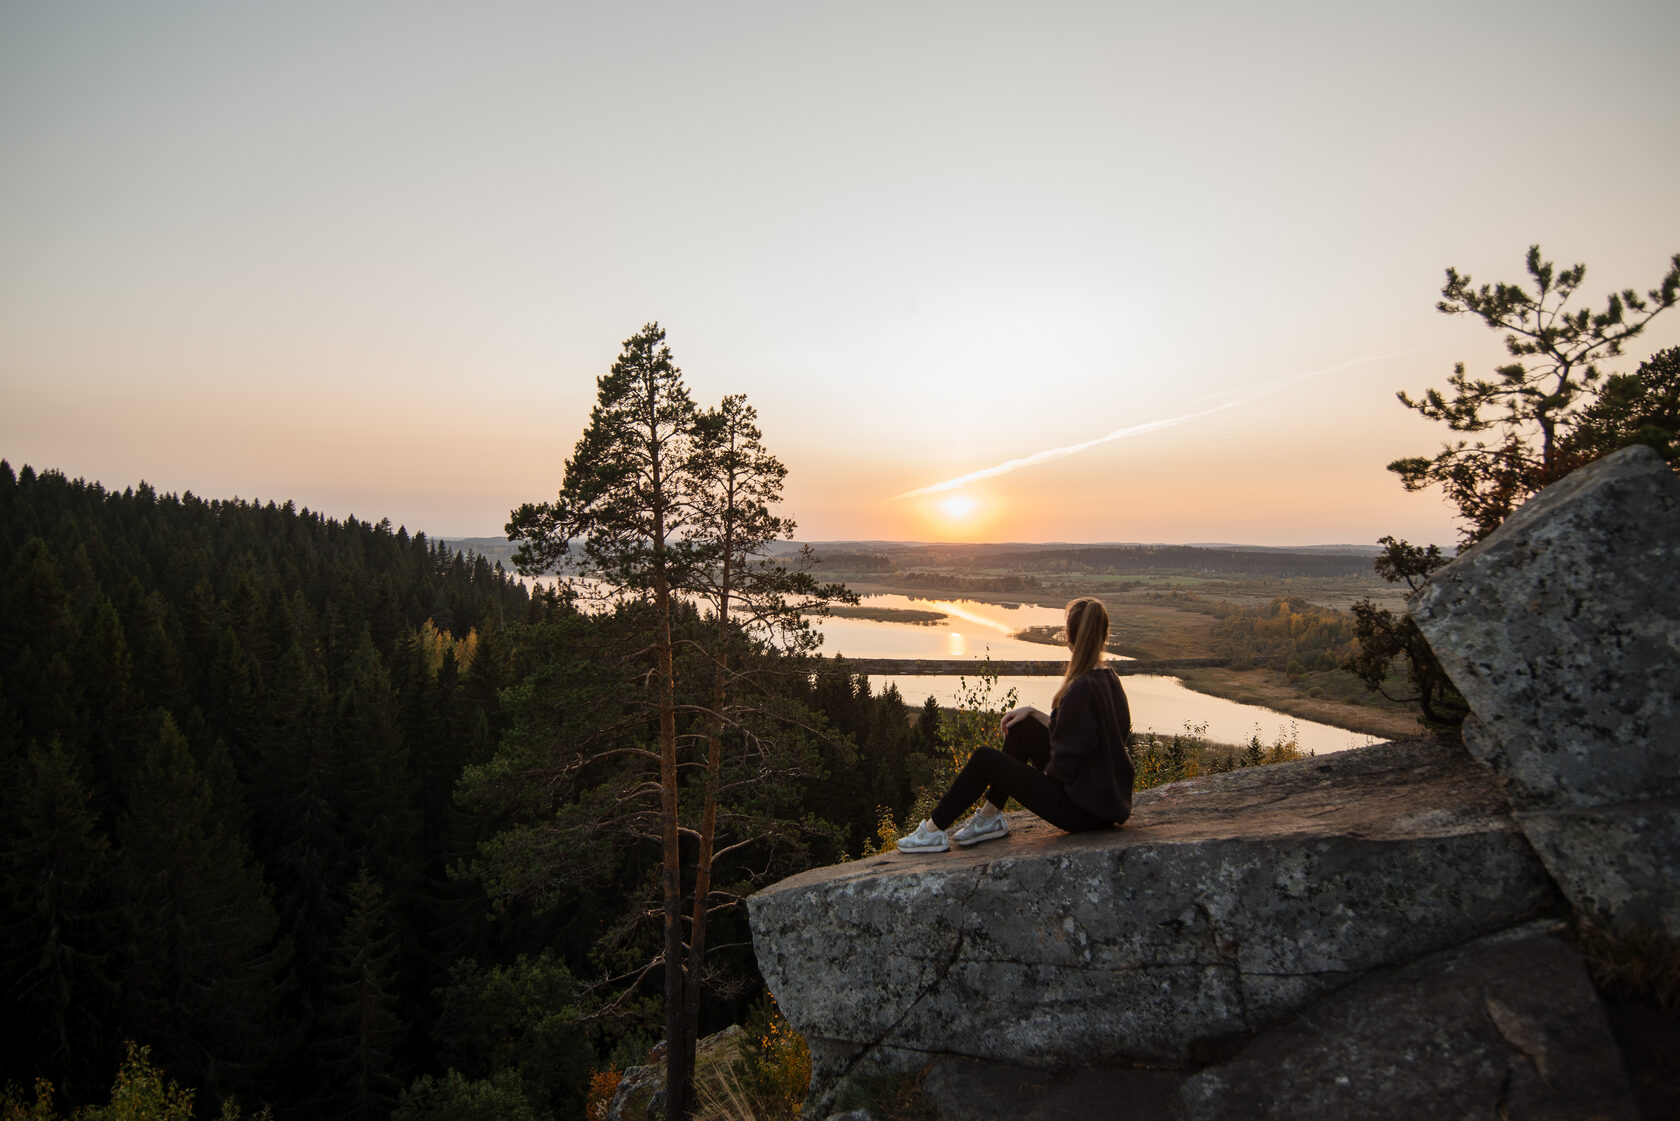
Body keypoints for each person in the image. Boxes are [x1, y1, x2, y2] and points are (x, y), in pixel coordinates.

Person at [897, 596, 1135, 853]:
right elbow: (1092, 735)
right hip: (1104, 801)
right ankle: (990, 817)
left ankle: (932, 831)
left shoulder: (1080, 688)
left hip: (1081, 811)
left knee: (984, 759)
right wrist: (1033, 713)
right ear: (1105, 634)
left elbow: (1062, 769)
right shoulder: (1109, 679)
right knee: (1021, 727)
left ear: (1069, 636)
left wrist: (1021, 779)